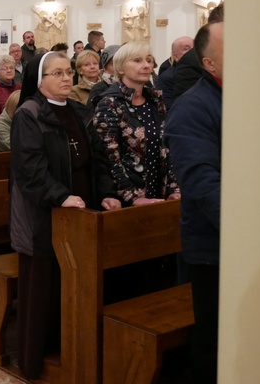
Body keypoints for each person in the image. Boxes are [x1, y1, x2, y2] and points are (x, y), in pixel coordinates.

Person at [10, 52, 120, 379]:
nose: (66, 78)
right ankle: (35, 359)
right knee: (44, 287)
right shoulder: (29, 114)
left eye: (68, 72)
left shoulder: (78, 110)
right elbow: (30, 170)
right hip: (45, 215)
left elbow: (97, 159)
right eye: (57, 73)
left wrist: (108, 194)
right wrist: (60, 196)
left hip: (82, 213)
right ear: (40, 80)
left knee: (74, 284)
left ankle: (70, 348)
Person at [164, 21, 223, 384]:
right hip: (213, 248)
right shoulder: (192, 107)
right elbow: (203, 185)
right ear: (210, 64)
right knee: (214, 341)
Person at [93, 41, 180, 206]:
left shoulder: (155, 100)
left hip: (158, 195)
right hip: (125, 202)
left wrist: (173, 190)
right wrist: (133, 197)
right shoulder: (109, 103)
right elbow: (110, 158)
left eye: (148, 60)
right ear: (120, 68)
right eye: (137, 61)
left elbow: (168, 147)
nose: (146, 65)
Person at [157, 36, 195, 110]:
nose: (193, 51)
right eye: (186, 49)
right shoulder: (166, 78)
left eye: (195, 47)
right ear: (176, 57)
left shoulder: (204, 73)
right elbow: (165, 109)